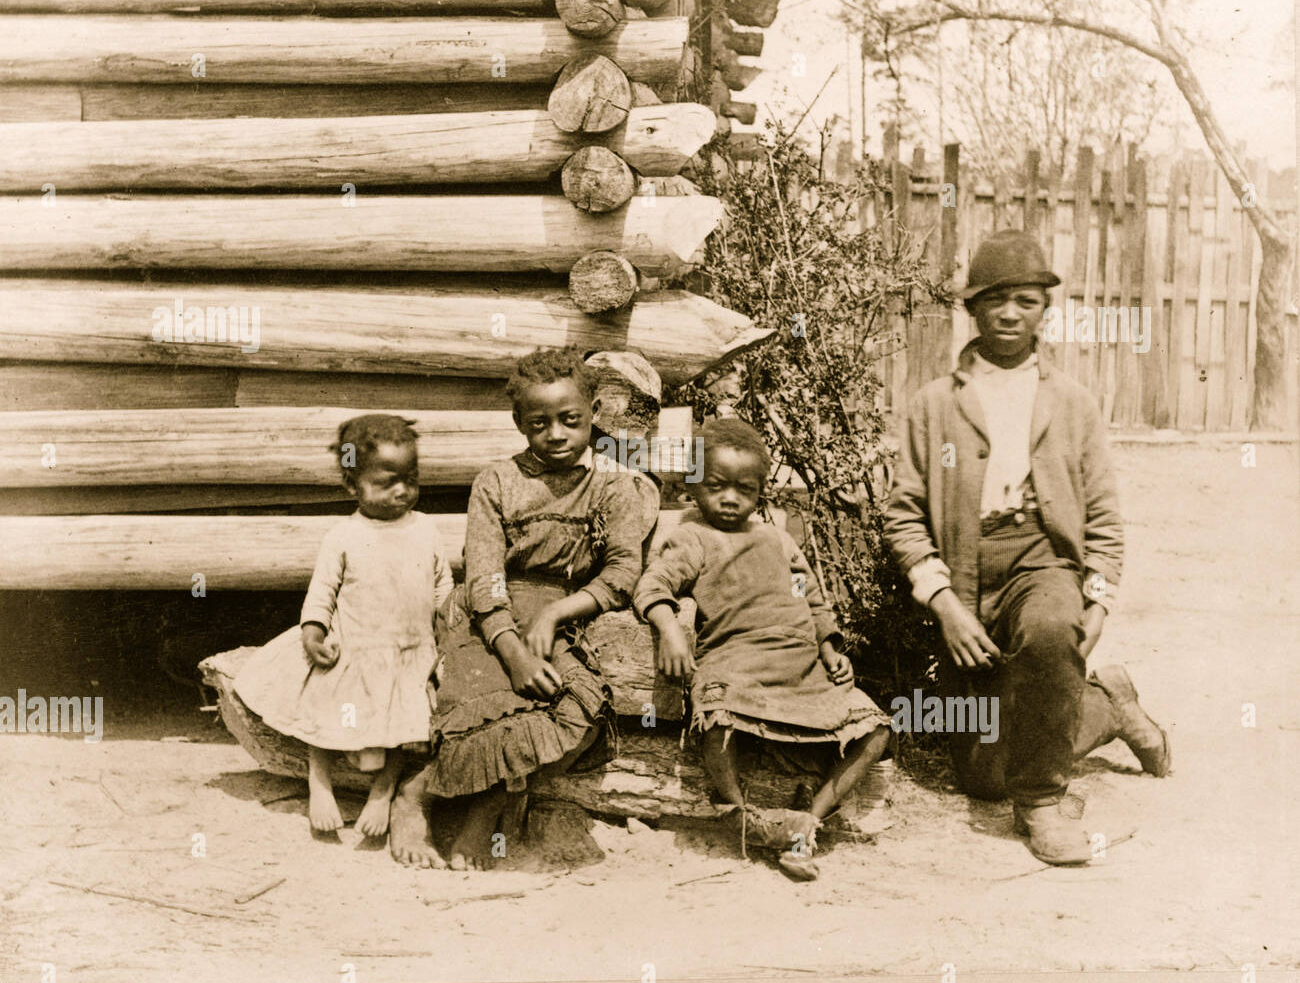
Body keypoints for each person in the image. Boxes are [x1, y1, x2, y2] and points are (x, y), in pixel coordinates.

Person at [884, 229, 1170, 866]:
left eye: (1026, 300)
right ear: (972, 309)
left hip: (1041, 558)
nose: (1010, 314)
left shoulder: (1072, 404)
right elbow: (902, 515)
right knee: (984, 776)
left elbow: (1103, 519)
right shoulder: (934, 405)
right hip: (964, 571)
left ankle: (1043, 804)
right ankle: (1106, 704)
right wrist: (947, 605)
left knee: (1048, 630)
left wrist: (1095, 602)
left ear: (1046, 309)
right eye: (994, 300)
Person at [390, 347, 660, 871]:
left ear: (595, 415)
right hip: (486, 615)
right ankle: (414, 796)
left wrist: (556, 616)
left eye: (570, 420)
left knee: (573, 707)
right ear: (519, 423)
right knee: (482, 695)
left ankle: (488, 806)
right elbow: (485, 575)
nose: (556, 434)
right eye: (539, 424)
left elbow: (622, 574)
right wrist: (510, 649)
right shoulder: (496, 482)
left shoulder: (613, 486)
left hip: (558, 612)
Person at [634, 418, 894, 881]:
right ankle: (741, 815)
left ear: (760, 492)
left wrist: (831, 647)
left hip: (803, 670)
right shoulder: (693, 538)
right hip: (738, 666)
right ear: (693, 485)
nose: (730, 498)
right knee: (716, 722)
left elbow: (810, 597)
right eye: (716, 486)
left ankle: (806, 824)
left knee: (875, 730)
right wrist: (670, 628)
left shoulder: (777, 538)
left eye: (745, 489)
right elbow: (653, 584)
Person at [234, 414, 453, 837]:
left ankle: (383, 790)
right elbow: (322, 592)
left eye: (410, 478)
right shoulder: (343, 535)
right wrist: (313, 631)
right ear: (352, 486)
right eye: (385, 482)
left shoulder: (426, 528)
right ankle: (320, 782)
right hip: (355, 647)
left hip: (411, 650)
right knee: (327, 705)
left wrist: (449, 625)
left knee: (404, 724)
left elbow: (442, 582)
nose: (402, 490)